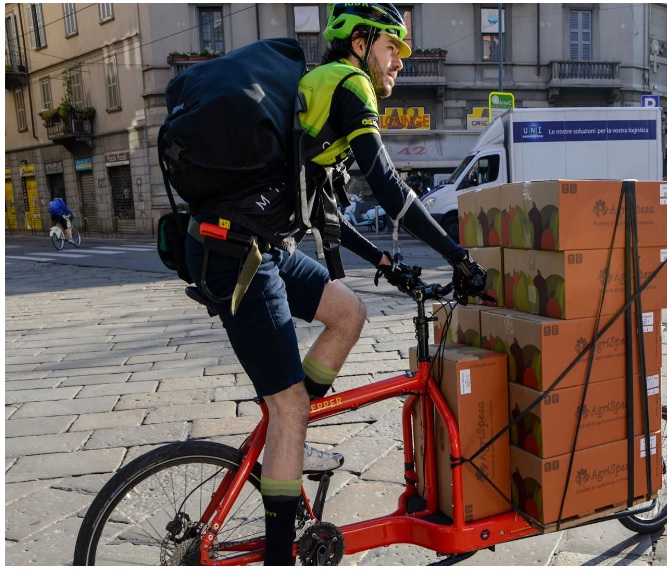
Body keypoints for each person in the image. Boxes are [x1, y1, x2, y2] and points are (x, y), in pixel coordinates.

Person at [184, 3, 485, 565]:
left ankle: (290, 431)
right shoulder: (349, 85)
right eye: (393, 48)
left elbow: (327, 214)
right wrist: (460, 258)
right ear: (361, 43)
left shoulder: (322, 88)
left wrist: (387, 263)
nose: (400, 61)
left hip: (262, 246)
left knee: (348, 312)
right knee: (290, 405)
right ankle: (281, 550)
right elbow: (392, 189)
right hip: (238, 253)